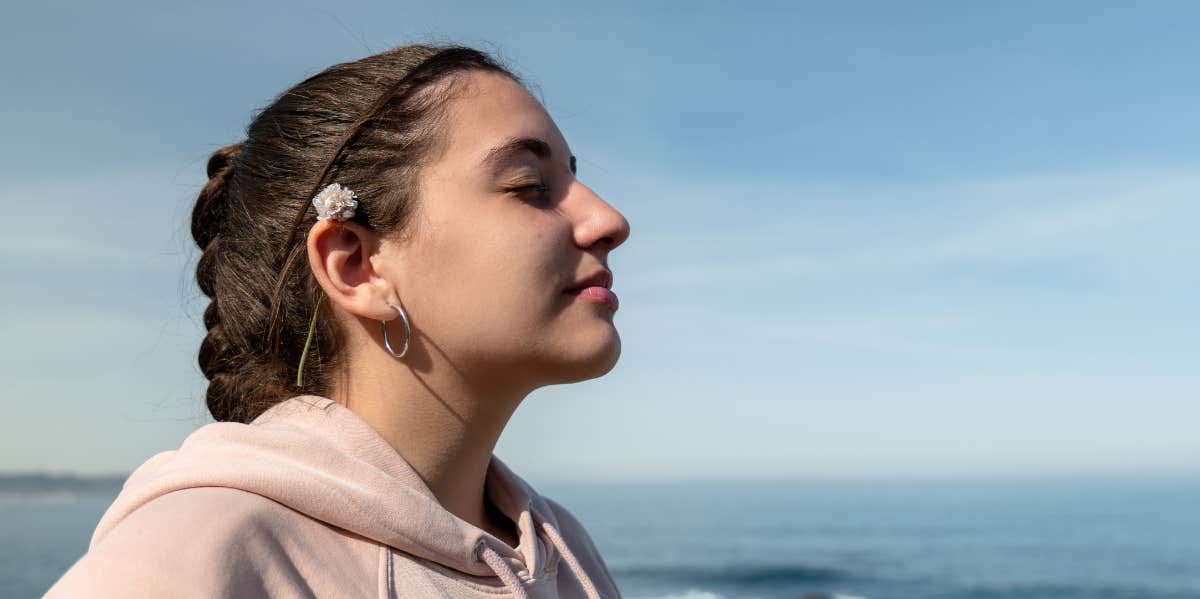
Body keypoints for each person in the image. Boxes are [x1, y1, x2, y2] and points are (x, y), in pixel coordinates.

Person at [46, 44, 630, 598]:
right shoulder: (192, 554)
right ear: (355, 265)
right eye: (530, 186)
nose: (609, 219)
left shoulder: (564, 551)